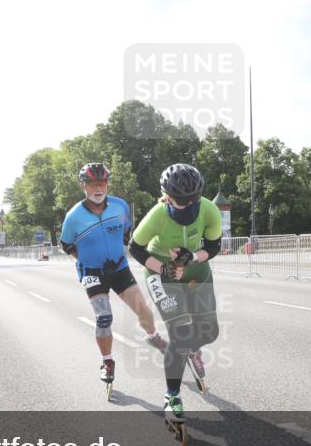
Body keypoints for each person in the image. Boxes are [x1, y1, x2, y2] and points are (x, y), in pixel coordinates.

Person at [59, 162, 169, 387]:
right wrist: (86, 261)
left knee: (143, 310)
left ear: (107, 184)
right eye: (93, 184)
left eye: (103, 183)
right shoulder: (73, 216)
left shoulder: (120, 206)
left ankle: (153, 337)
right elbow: (66, 244)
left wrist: (120, 252)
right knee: (104, 317)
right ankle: (107, 361)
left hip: (118, 267)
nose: (98, 188)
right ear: (84, 186)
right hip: (92, 272)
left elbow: (127, 232)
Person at [128, 163, 222, 425]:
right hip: (160, 270)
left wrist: (192, 257)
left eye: (193, 200)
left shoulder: (208, 209)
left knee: (210, 332)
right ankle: (172, 396)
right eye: (181, 202)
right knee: (180, 334)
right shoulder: (158, 214)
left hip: (195, 267)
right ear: (168, 198)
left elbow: (214, 245)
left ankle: (193, 348)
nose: (189, 206)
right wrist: (163, 269)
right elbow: (135, 248)